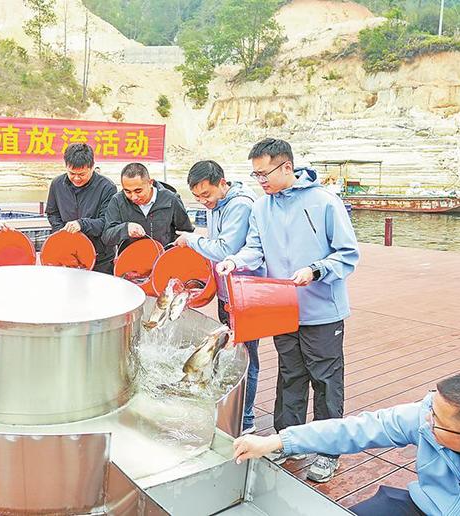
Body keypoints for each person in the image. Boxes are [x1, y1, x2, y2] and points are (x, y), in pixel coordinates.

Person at [216, 138, 360, 483]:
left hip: (322, 310)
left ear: (286, 167)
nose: (260, 181)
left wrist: (315, 270)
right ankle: (288, 442)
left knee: (326, 381)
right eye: (255, 175)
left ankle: (327, 451)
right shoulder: (261, 207)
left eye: (263, 174)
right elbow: (255, 249)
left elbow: (348, 254)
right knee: (290, 377)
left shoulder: (325, 201)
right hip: (281, 309)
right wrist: (235, 260)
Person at [233, 373, 460, 516]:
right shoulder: (423, 416)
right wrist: (278, 441)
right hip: (425, 504)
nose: (427, 419)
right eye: (431, 408)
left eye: (436, 418)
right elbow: (357, 429)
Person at [174, 160, 263, 435]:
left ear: (222, 183)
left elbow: (226, 248)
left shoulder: (240, 205)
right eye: (197, 197)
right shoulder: (217, 204)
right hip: (228, 292)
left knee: (246, 358)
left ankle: (245, 420)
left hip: (246, 293)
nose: (204, 201)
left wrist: (192, 240)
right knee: (229, 352)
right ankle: (230, 413)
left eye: (207, 194)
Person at [45, 143, 117, 274]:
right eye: (72, 173)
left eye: (82, 174)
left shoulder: (107, 187)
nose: (77, 178)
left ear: (92, 167)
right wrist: (62, 231)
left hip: (100, 257)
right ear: (66, 166)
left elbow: (107, 222)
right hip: (67, 253)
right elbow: (52, 213)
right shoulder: (57, 184)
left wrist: (81, 224)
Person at [102, 162, 193, 252]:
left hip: (164, 257)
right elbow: (106, 236)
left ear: (150, 183)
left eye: (138, 191)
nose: (134, 197)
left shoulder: (171, 199)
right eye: (128, 191)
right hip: (130, 258)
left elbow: (186, 233)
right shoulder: (118, 201)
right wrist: (125, 229)